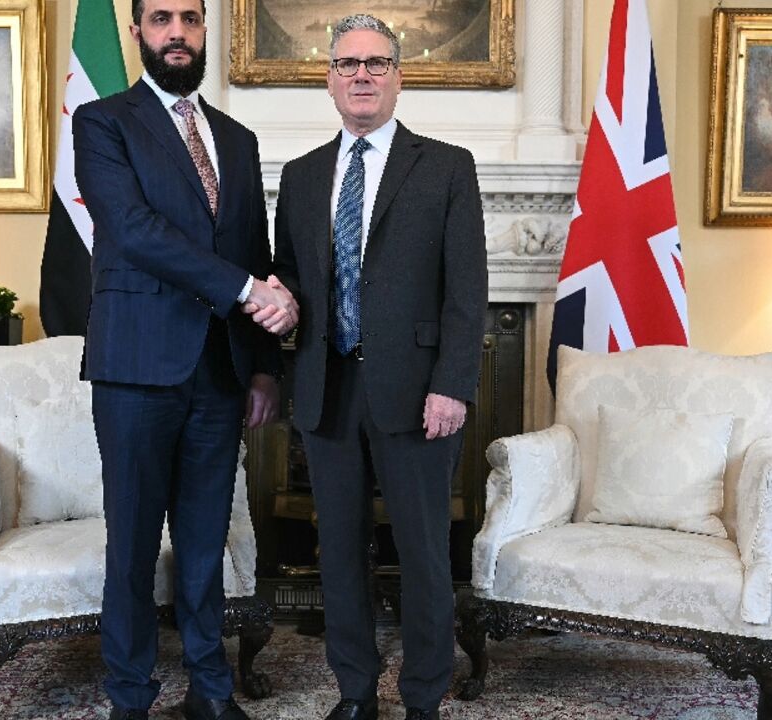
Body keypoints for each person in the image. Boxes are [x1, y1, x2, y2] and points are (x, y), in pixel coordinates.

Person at [72, 1, 296, 718]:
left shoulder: (236, 136)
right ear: (137, 32)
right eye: (162, 18)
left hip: (219, 372)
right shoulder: (103, 122)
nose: (177, 32)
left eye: (191, 19)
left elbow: (252, 251)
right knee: (133, 547)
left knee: (205, 546)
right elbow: (134, 231)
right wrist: (244, 290)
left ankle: (210, 688)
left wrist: (263, 365)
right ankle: (131, 697)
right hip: (136, 368)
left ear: (205, 32)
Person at [268, 14, 486, 720]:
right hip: (327, 391)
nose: (362, 75)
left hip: (419, 392)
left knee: (424, 553)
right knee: (339, 554)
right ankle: (356, 692)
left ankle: (424, 696)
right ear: (329, 79)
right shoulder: (300, 177)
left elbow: (467, 289)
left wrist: (453, 384)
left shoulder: (447, 165)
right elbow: (292, 280)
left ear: (399, 76)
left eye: (377, 64)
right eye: (348, 64)